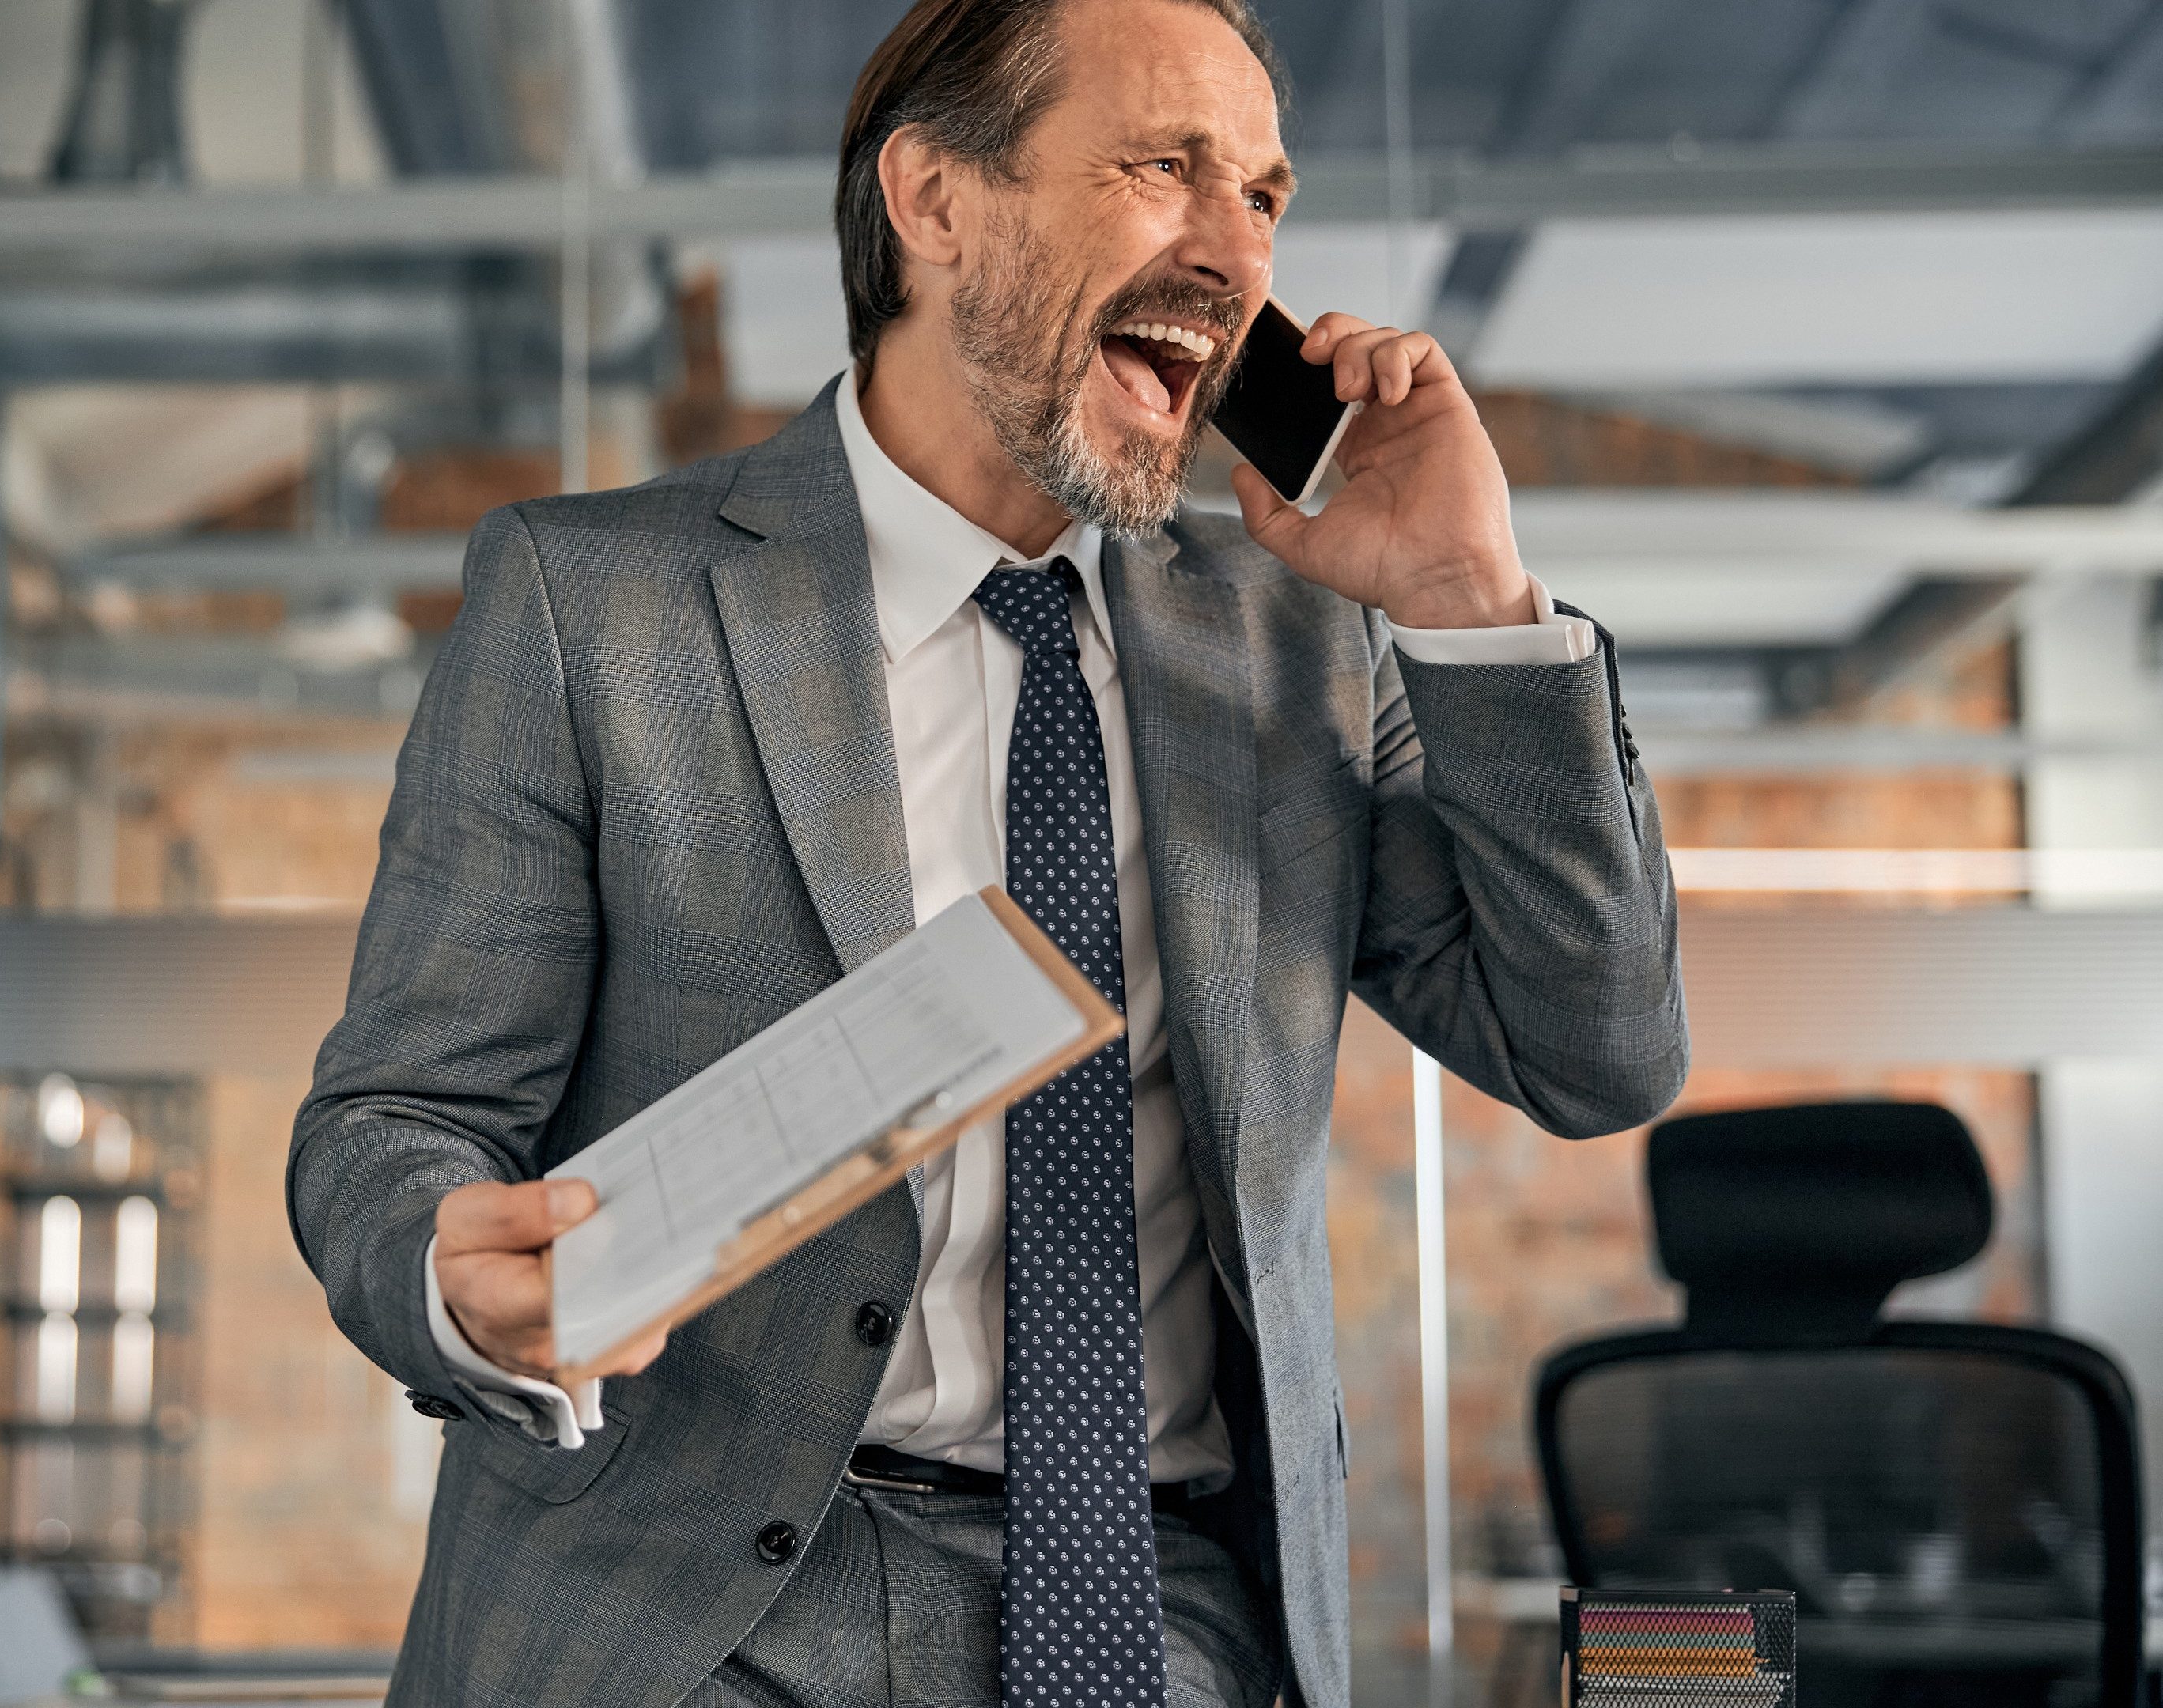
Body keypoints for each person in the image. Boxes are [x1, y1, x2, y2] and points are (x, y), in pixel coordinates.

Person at [289, 0, 1687, 1700]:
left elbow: (1596, 1050)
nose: (1236, 254)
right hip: (712, 1613)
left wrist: (1471, 605)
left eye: (1262, 196)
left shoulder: (1296, 642)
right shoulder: (599, 609)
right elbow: (398, 1120)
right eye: (1163, 170)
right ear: (936, 203)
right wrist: (450, 1273)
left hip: (1165, 1609)